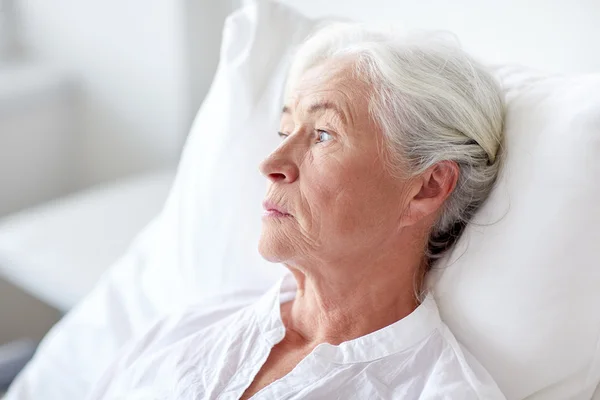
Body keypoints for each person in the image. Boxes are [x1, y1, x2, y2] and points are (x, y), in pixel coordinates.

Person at [87, 23, 506, 399]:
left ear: (426, 187)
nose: (270, 164)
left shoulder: (439, 391)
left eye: (323, 135)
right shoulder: (188, 329)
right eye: (285, 131)